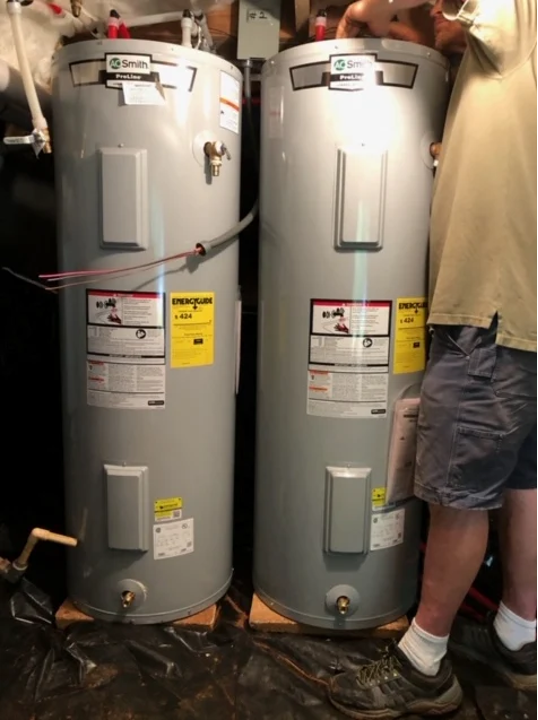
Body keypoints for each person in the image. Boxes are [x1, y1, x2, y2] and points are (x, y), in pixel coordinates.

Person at [328, 1, 538, 718]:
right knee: (522, 479)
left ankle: (423, 663)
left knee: (458, 491)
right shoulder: (500, 66)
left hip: (487, 306)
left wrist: (363, 12)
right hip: (522, 316)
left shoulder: (517, 19)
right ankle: (519, 633)